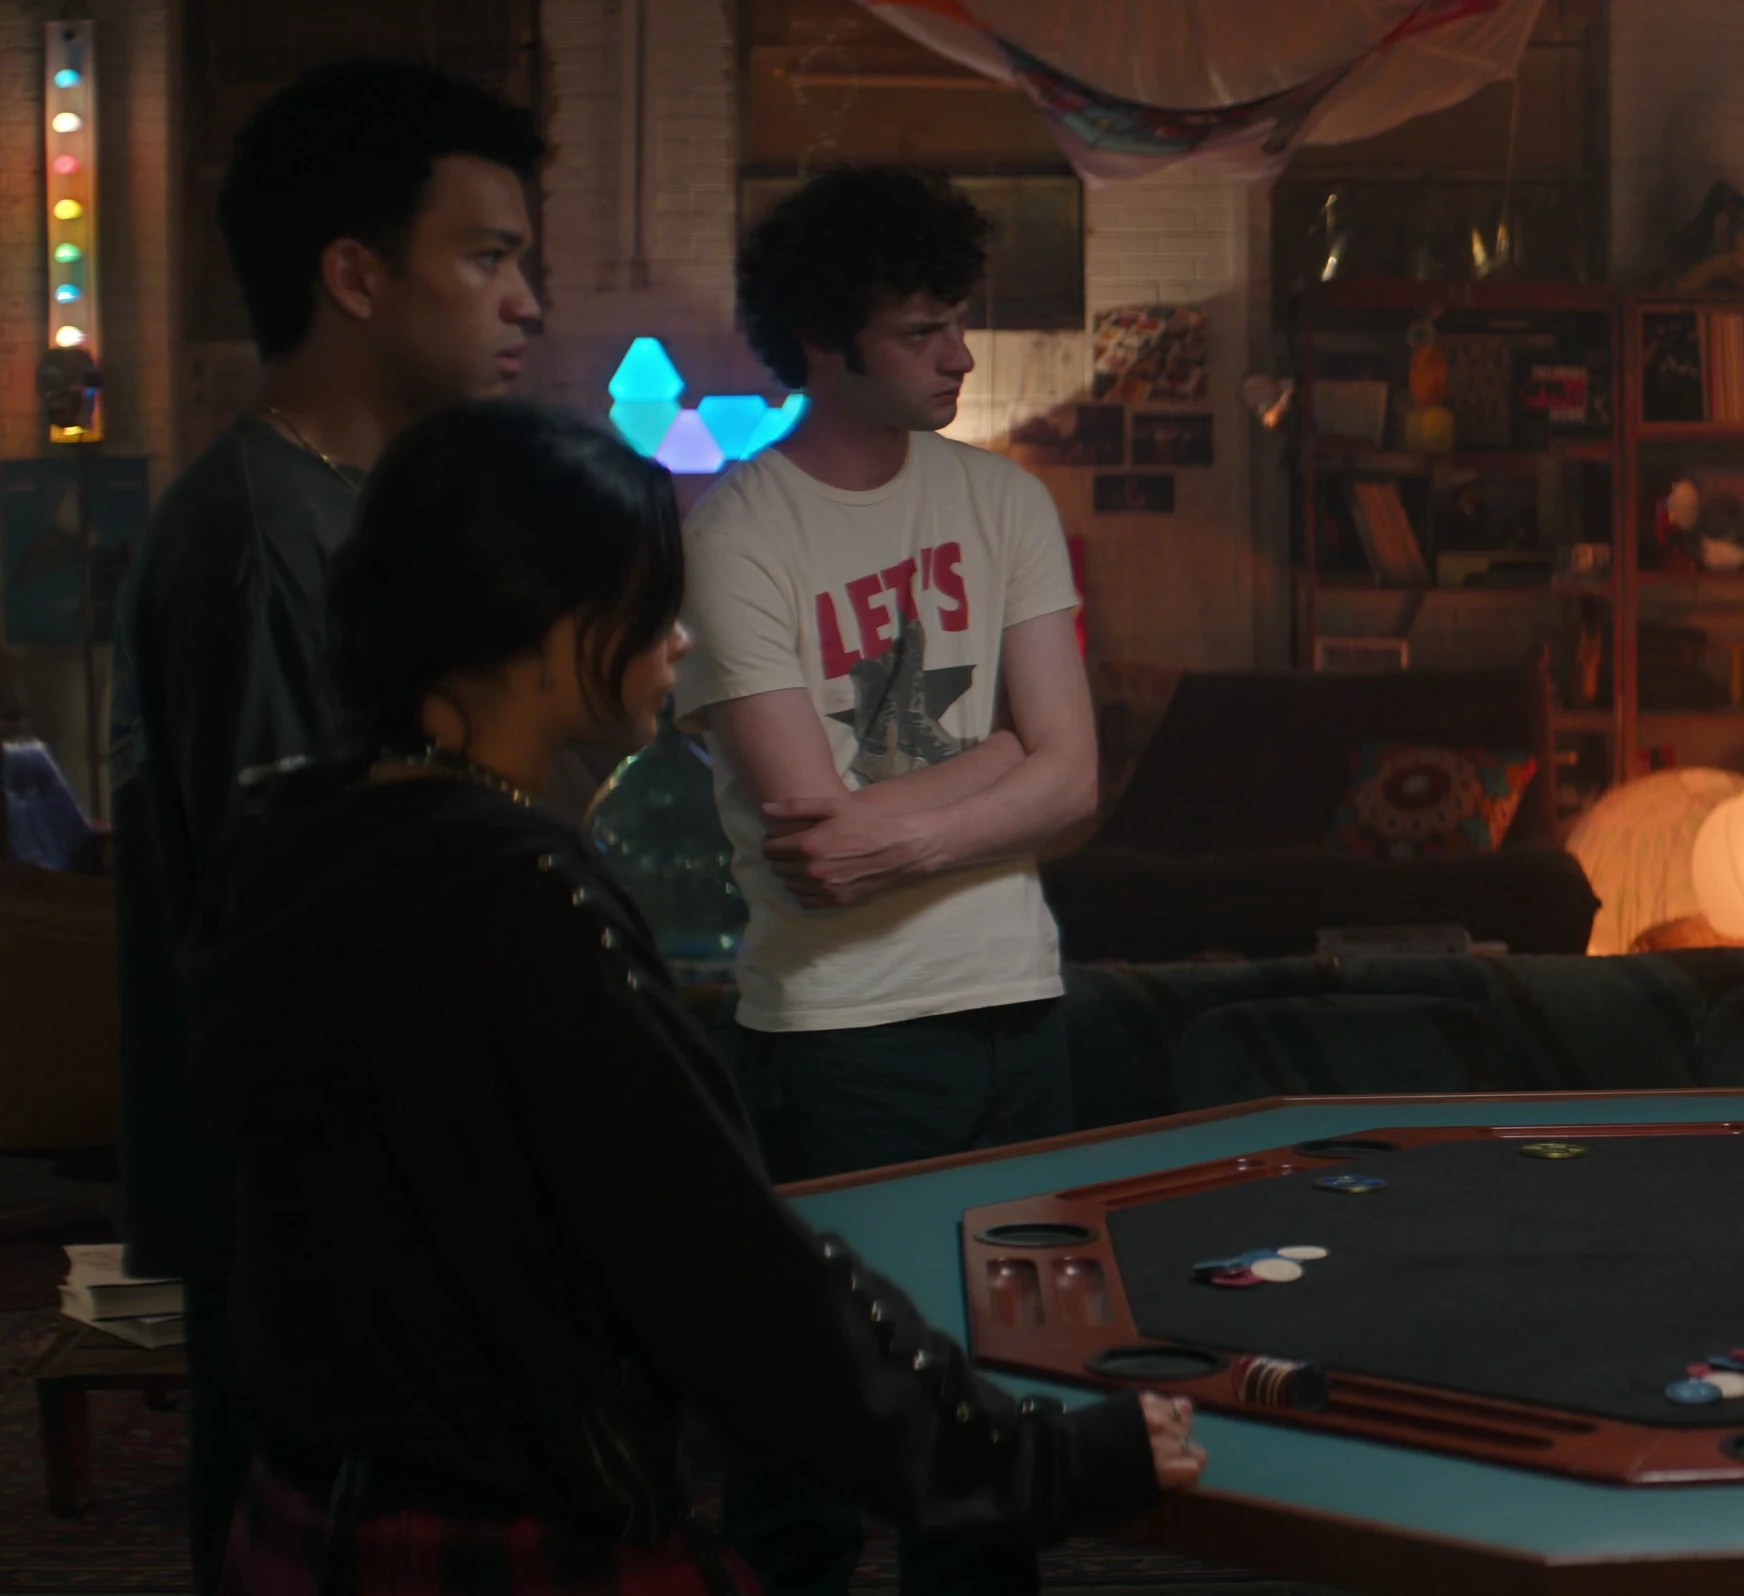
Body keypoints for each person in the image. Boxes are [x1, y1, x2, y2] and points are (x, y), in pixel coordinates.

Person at [189, 400, 1200, 1595]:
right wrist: (1047, 1459)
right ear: (548, 621)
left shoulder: (297, 842)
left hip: (302, 1516)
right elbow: (732, 1280)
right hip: (508, 1541)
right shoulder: (516, 897)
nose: (676, 641)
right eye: (648, 602)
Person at [108, 60, 548, 1587]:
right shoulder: (257, 536)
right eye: (487, 257)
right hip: (319, 1198)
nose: (529, 301)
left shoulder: (367, 511)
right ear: (354, 277)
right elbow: (298, 927)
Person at [679, 165, 1102, 1596]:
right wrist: (1002, 762)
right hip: (838, 1036)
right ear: (822, 342)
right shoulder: (738, 530)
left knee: (1000, 1408)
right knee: (816, 1418)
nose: (961, 356)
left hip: (1019, 1013)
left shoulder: (1004, 503)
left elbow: (1076, 781)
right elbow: (811, 833)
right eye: (923, 331)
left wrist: (902, 830)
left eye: (956, 322)